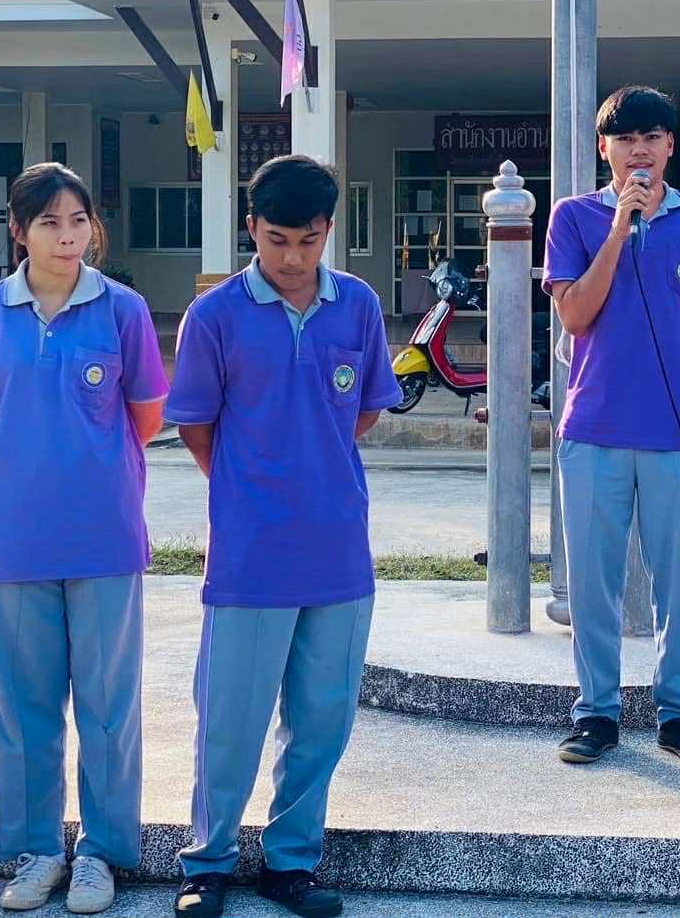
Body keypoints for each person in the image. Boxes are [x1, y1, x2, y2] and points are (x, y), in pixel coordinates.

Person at [166, 156, 400, 918]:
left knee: (322, 721)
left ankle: (291, 862)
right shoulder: (214, 317)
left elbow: (364, 410)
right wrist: (251, 484)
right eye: (276, 240)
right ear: (251, 229)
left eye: (307, 240)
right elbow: (196, 426)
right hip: (250, 554)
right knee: (229, 721)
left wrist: (309, 465)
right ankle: (207, 863)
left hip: (338, 549)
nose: (292, 258)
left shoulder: (357, 306)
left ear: (328, 230)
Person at [0, 164, 168, 915]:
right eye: (49, 222)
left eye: (78, 220)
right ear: (19, 231)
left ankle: (102, 853)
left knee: (108, 706)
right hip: (16, 537)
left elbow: (145, 416)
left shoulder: (123, 310)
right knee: (23, 707)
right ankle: (36, 850)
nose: (68, 236)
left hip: (105, 533)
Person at [543, 85, 680, 768]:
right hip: (593, 430)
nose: (639, 150)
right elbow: (575, 315)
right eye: (625, 138)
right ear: (604, 147)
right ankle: (595, 712)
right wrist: (617, 230)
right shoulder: (574, 217)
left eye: (651, 137)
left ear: (669, 146)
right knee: (592, 584)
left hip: (678, 434)